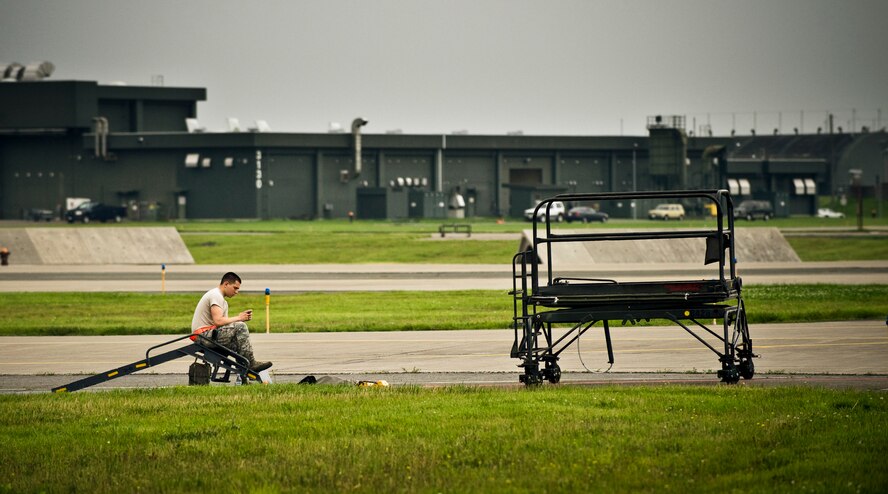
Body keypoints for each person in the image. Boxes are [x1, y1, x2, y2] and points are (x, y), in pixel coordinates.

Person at [191, 272, 272, 372]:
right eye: (235, 288)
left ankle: (246, 370)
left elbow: (225, 325)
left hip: (209, 335)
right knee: (241, 326)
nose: (237, 292)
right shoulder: (216, 295)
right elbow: (218, 321)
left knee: (239, 340)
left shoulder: (222, 300)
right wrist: (239, 318)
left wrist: (239, 318)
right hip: (202, 336)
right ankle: (251, 364)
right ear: (226, 284)